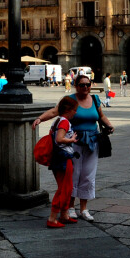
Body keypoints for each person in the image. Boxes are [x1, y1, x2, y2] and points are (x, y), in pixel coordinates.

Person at [33, 74, 115, 223]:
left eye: (88, 85)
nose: (85, 87)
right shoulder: (70, 100)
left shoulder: (95, 99)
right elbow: (54, 111)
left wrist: (109, 125)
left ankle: (84, 208)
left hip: (92, 140)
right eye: (82, 85)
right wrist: (40, 118)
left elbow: (101, 116)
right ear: (76, 86)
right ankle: (70, 207)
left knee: (89, 175)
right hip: (73, 142)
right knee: (73, 175)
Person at [46, 96, 79, 228]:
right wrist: (71, 140)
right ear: (68, 110)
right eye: (74, 110)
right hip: (63, 158)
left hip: (57, 158)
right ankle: (52, 218)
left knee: (66, 187)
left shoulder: (58, 121)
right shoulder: (64, 122)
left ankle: (64, 215)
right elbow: (59, 139)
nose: (75, 112)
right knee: (64, 188)